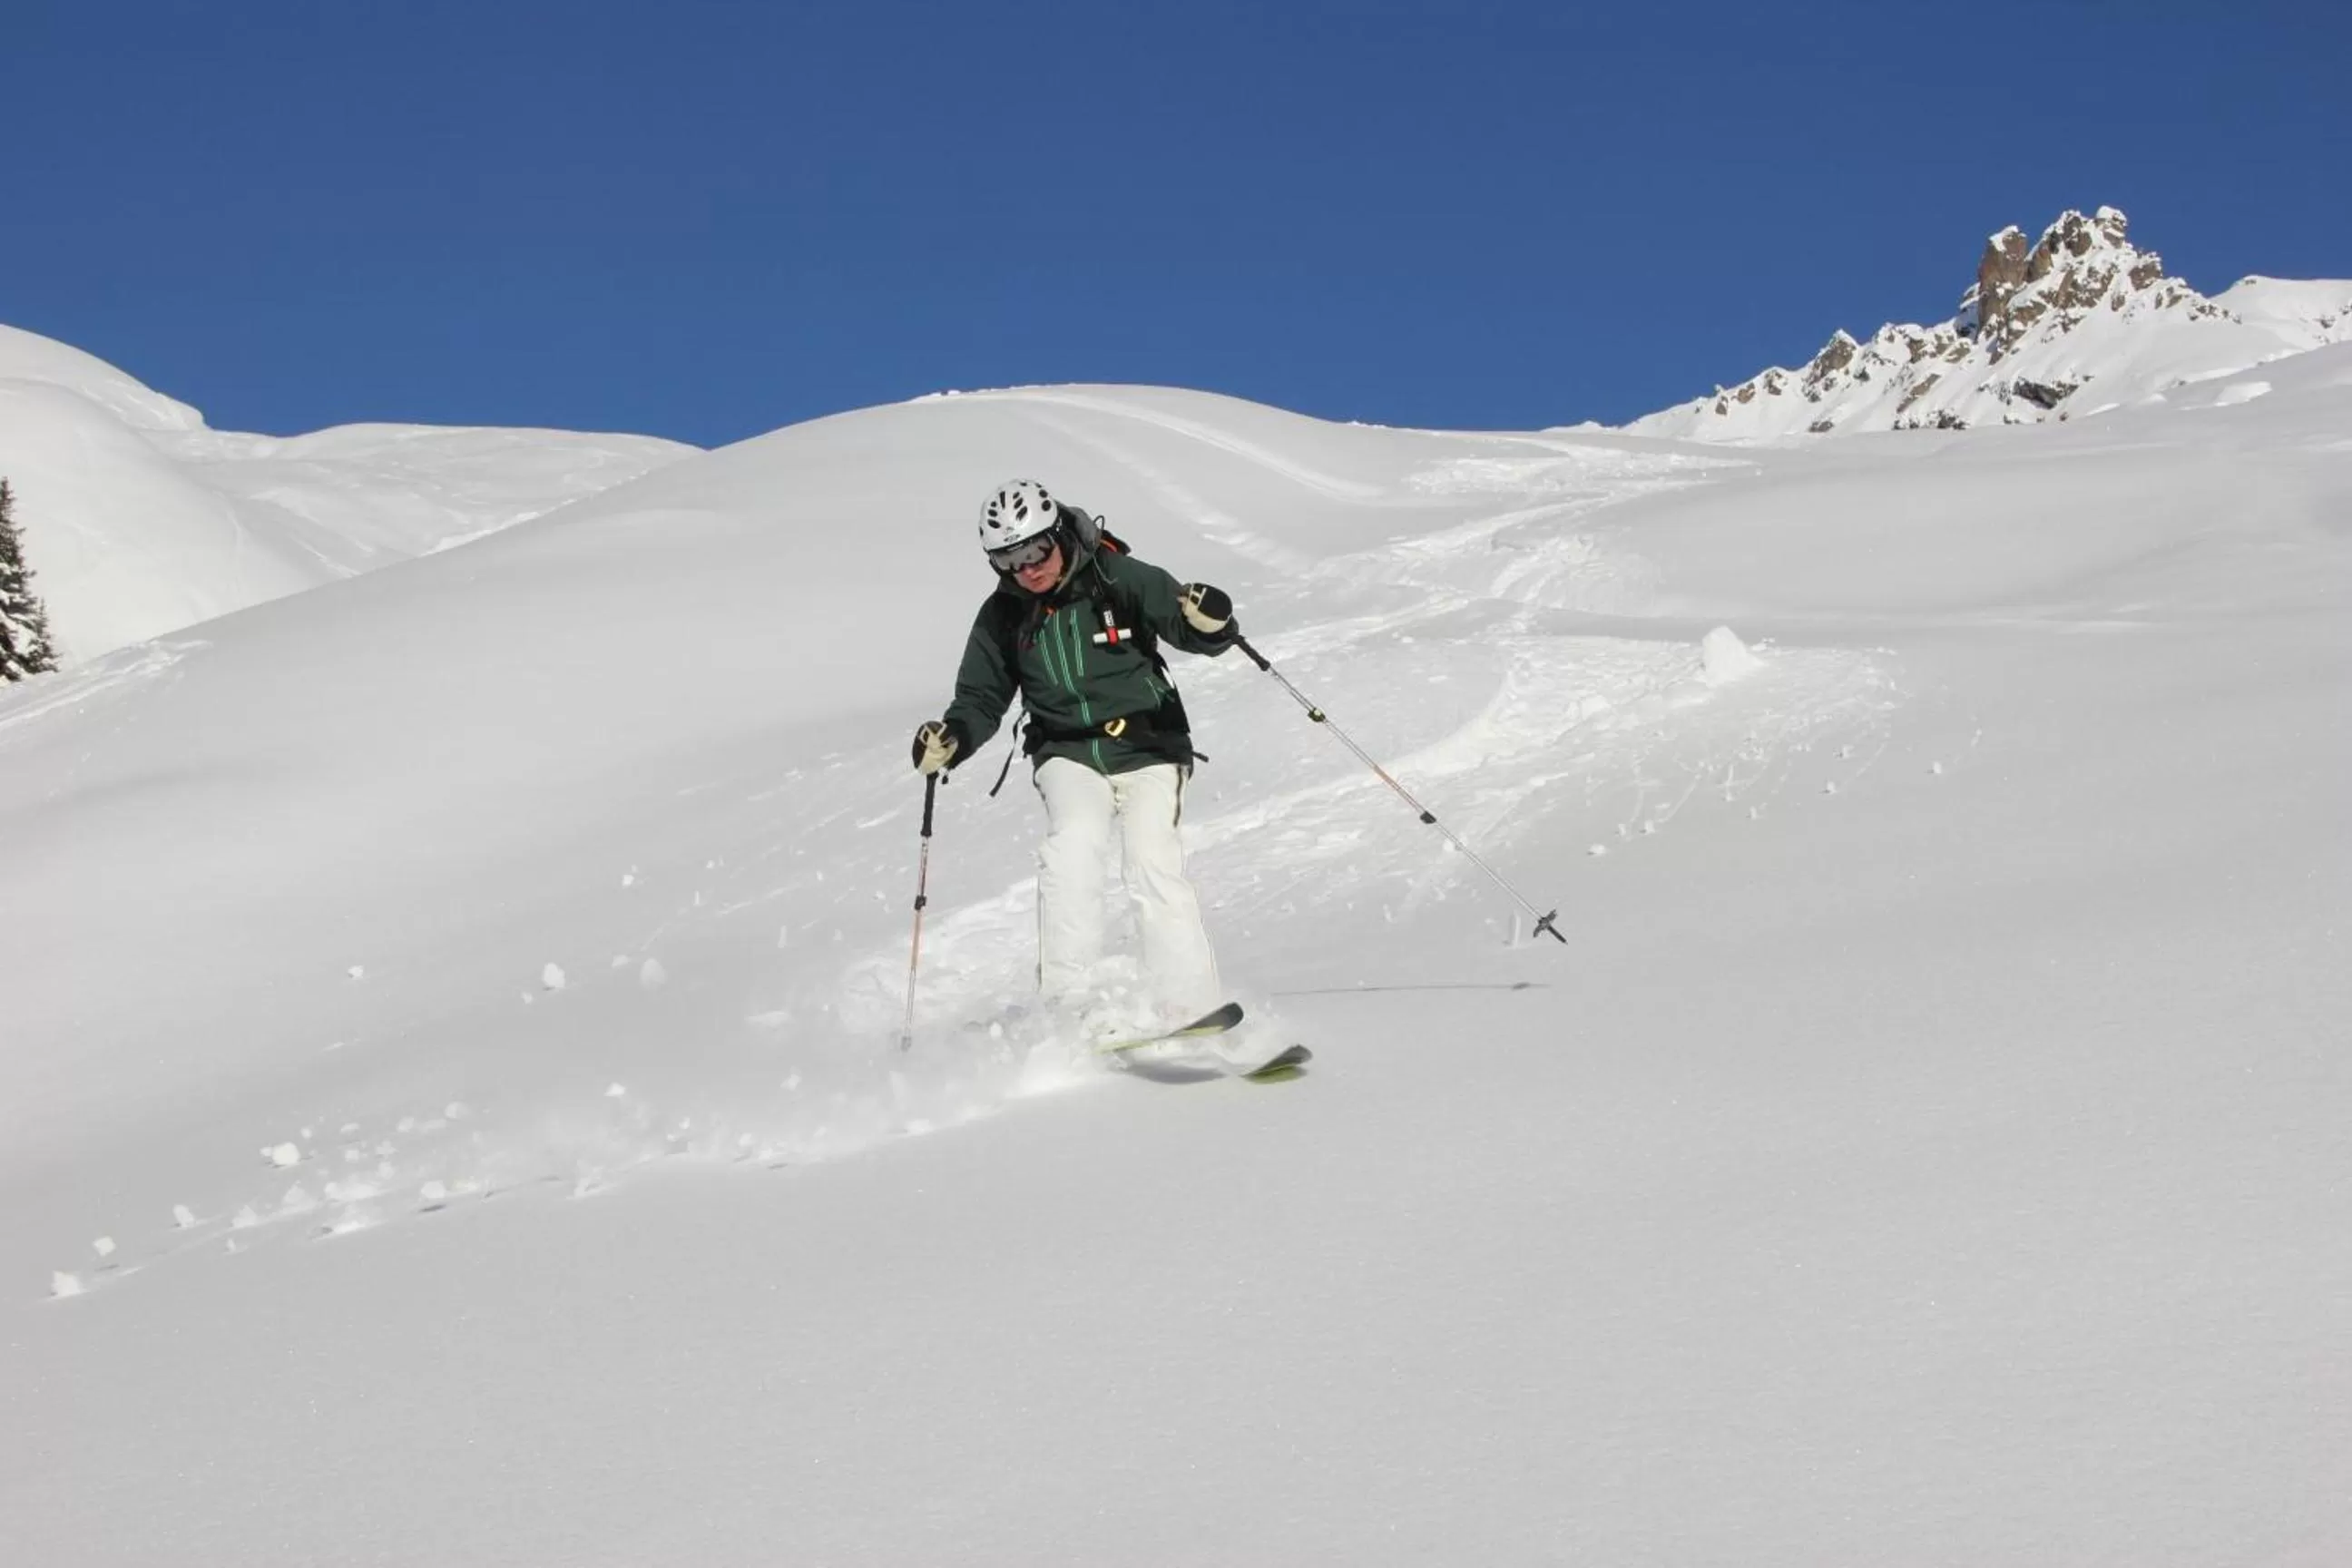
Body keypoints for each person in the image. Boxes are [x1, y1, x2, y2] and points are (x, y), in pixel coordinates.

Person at [912, 479, 1240, 1025]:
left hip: (1149, 742)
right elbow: (980, 697)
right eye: (1008, 560)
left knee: (1151, 860)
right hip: (1066, 750)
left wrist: (1213, 622)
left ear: (1057, 533)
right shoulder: (1003, 616)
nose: (1027, 569)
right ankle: (1072, 1008)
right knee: (1071, 853)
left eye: (1035, 551)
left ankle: (1187, 1003)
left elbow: (1190, 624)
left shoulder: (1117, 577)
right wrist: (951, 741)